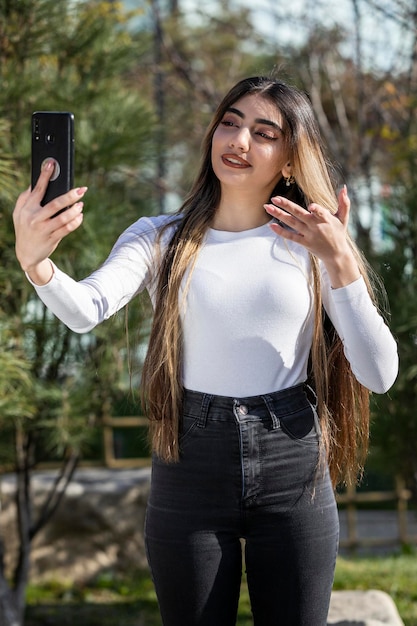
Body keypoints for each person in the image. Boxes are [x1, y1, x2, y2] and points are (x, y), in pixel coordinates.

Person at [13, 76, 398, 626]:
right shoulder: (160, 236)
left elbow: (380, 375)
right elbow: (85, 309)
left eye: (264, 132)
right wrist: (37, 262)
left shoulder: (315, 242)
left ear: (290, 158)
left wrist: (341, 264)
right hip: (189, 461)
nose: (239, 140)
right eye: (230, 122)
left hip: (294, 463)